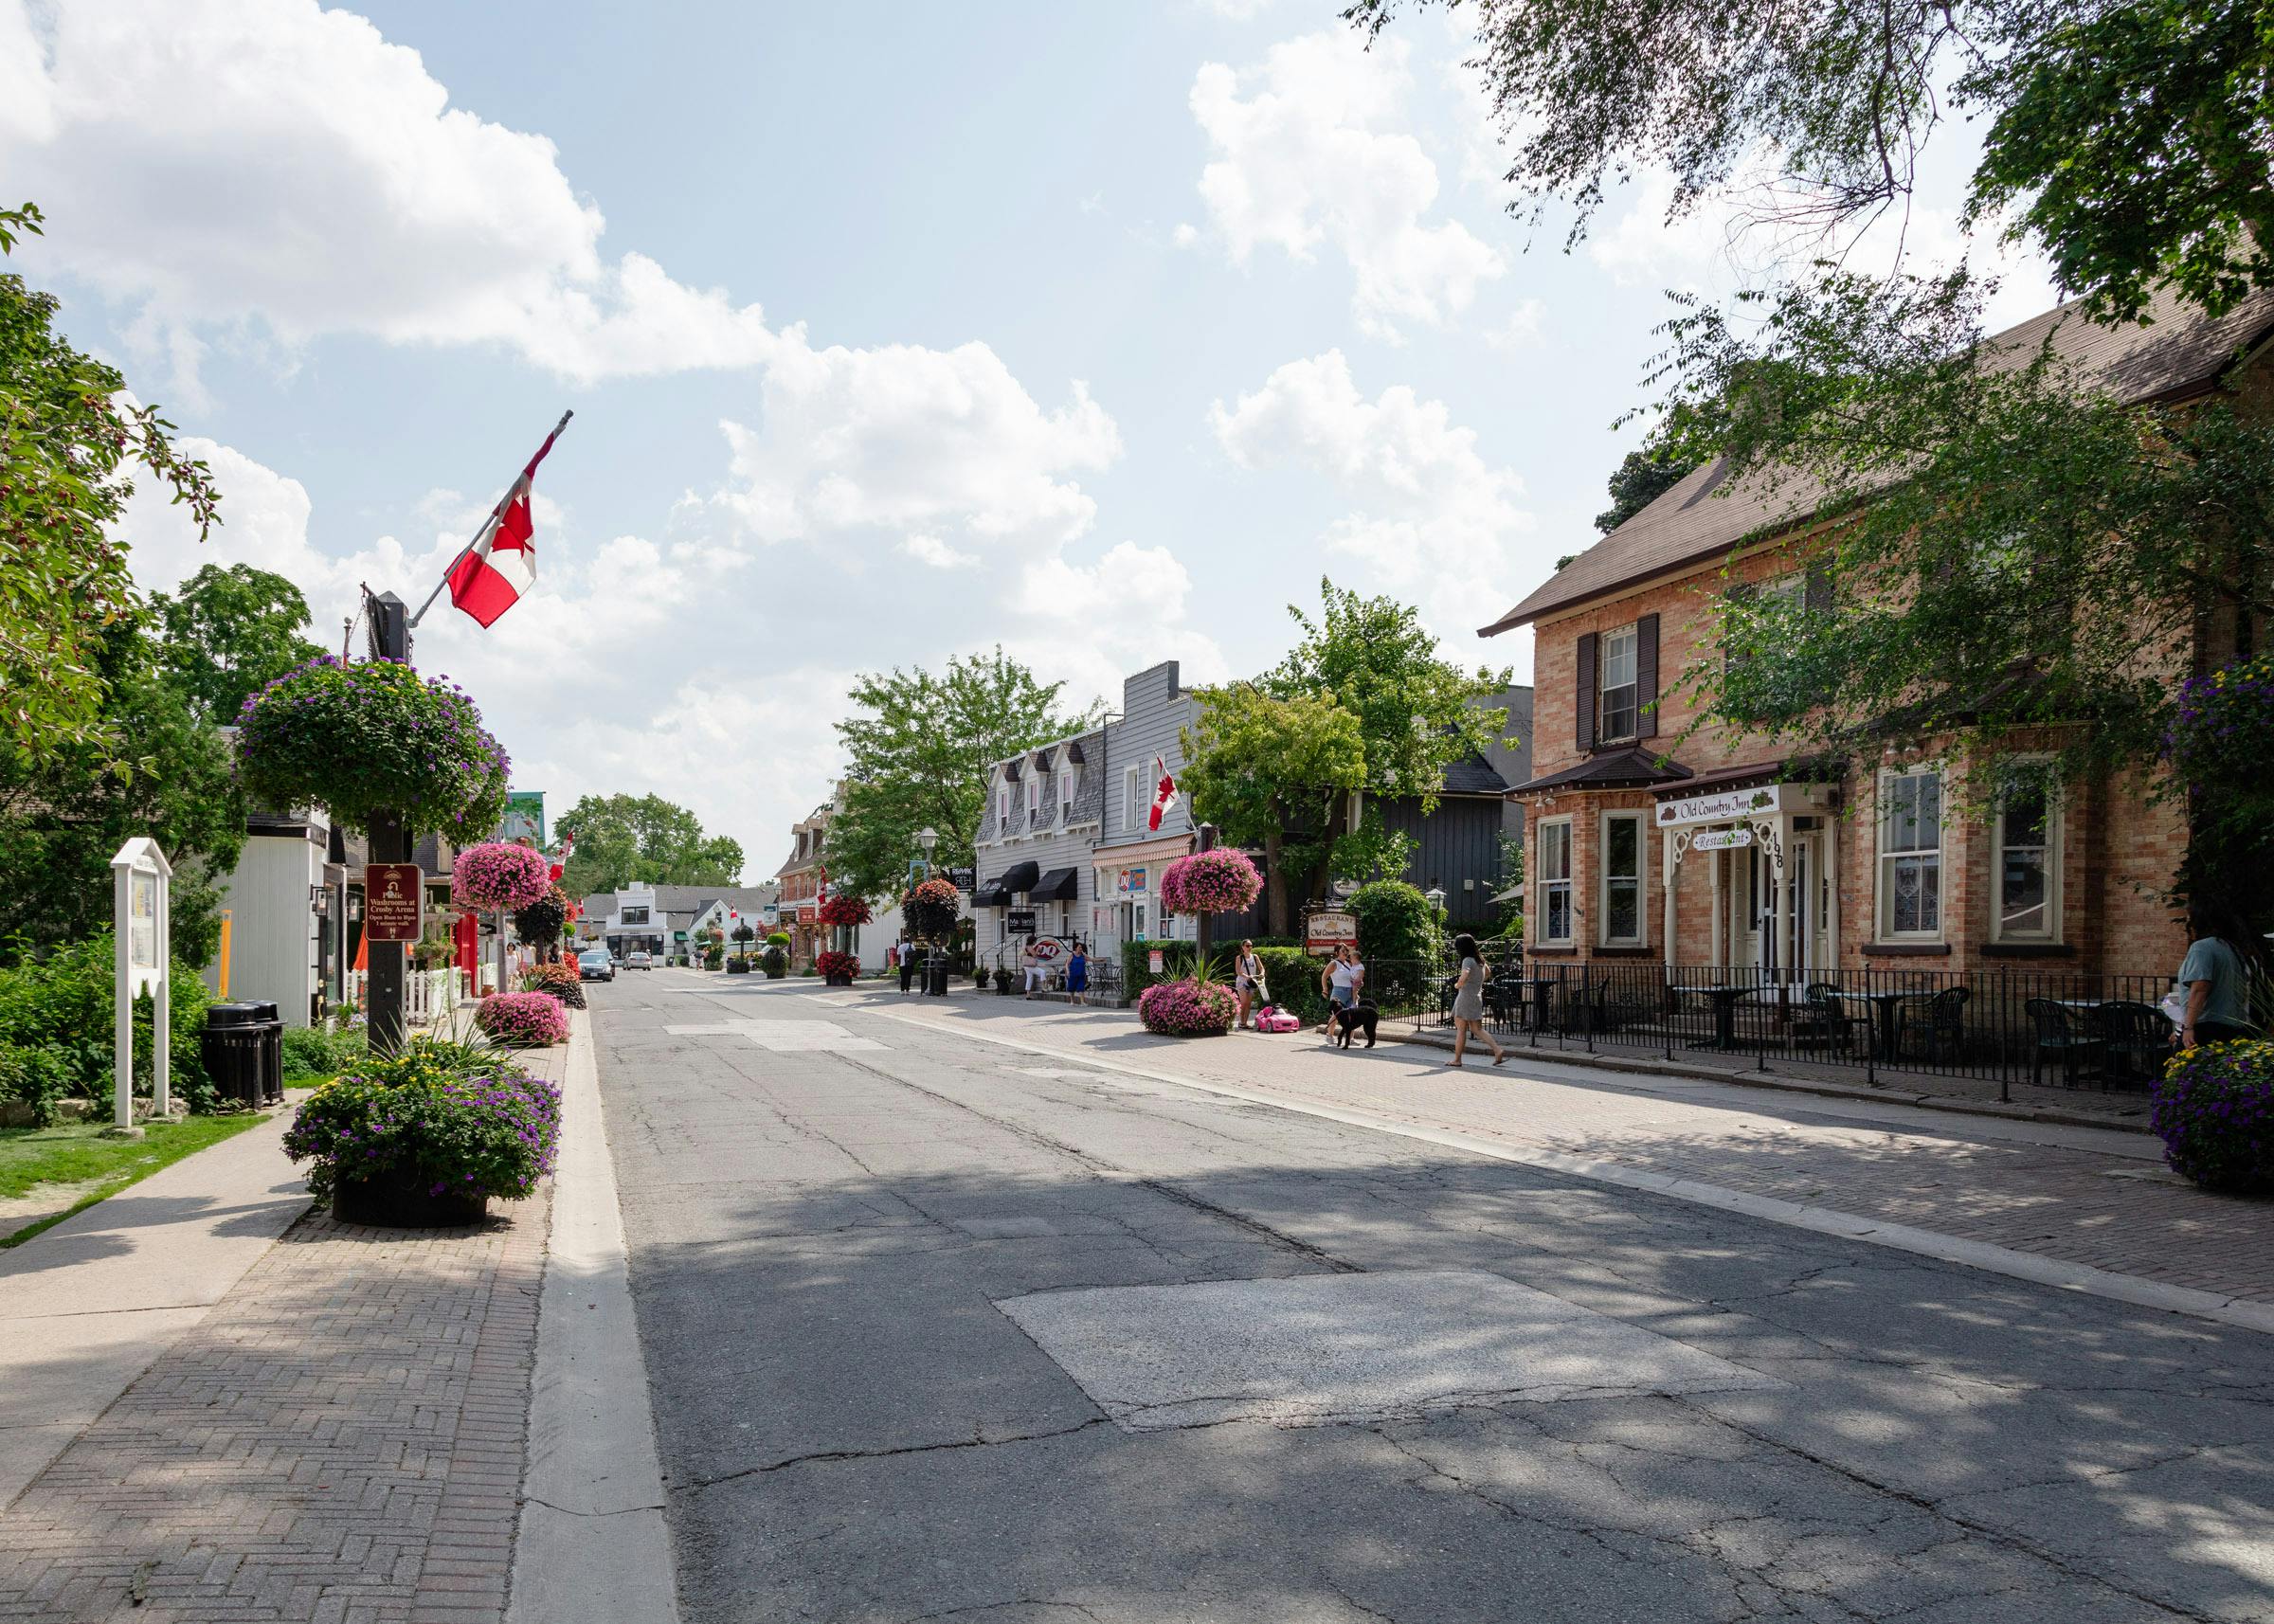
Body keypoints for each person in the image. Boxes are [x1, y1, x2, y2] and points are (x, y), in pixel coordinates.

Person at [2176, 901, 2258, 1049]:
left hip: (2205, 1028)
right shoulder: (2233, 949)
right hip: (2232, 1028)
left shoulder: (2201, 948)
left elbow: (2200, 988)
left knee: (2182, 1071)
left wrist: (2188, 1027)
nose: (2187, 922)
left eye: (2190, 917)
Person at [1447, 932, 1507, 1069]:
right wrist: (1477, 983)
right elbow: (1488, 973)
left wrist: (1458, 984)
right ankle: (1497, 1050)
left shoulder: (1467, 960)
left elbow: (1464, 975)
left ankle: (1457, 1060)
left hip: (1465, 998)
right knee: (1477, 1029)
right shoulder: (1480, 960)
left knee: (1461, 1030)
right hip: (1476, 997)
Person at [1234, 939, 1265, 1030]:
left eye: (1251, 945)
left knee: (1248, 1003)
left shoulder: (1255, 957)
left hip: (1252, 982)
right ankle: (1241, 1022)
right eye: (1247, 946)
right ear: (1243, 947)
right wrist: (1246, 976)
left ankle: (1245, 1023)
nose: (1249, 947)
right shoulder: (1239, 958)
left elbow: (1262, 968)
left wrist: (1262, 973)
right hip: (1242, 982)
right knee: (1243, 1003)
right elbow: (1238, 972)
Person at [1066, 940, 1090, 1006]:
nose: (1081, 949)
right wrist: (1067, 971)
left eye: (1081, 947)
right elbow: (1067, 964)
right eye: (1079, 947)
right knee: (1071, 988)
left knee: (1081, 988)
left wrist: (1099, 959)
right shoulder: (1072, 954)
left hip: (1081, 974)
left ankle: (1082, 1002)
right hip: (1073, 974)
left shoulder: (1083, 954)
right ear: (1076, 948)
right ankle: (1072, 1001)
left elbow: (1090, 959)